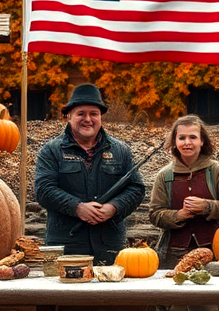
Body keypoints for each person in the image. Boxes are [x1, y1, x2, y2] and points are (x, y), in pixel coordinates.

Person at [34, 83, 146, 265]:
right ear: (69, 116)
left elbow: (136, 189)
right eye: (81, 114)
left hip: (110, 246)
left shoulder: (121, 151)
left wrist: (114, 208)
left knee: (110, 293)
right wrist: (77, 207)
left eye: (93, 113)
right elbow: (43, 190)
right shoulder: (51, 151)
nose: (88, 119)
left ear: (100, 116)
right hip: (66, 246)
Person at [148, 115, 219, 269]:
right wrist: (178, 215)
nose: (187, 142)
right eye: (181, 138)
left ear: (202, 141)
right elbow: (154, 214)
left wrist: (207, 206)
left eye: (193, 137)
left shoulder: (215, 170)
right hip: (173, 254)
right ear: (175, 142)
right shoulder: (164, 176)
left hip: (213, 252)